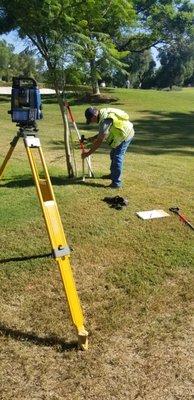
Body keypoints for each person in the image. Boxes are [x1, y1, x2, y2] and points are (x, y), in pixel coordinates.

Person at [82, 107, 134, 188]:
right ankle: (113, 174)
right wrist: (93, 138)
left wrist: (88, 153)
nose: (92, 122)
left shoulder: (105, 120)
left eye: (90, 120)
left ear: (93, 117)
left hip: (125, 135)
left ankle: (116, 183)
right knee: (113, 154)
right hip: (121, 133)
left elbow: (100, 141)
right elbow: (103, 133)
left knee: (117, 157)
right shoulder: (103, 113)